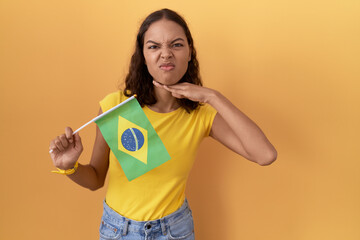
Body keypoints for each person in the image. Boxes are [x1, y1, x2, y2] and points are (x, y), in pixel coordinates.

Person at [49, 8, 277, 240]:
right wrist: (70, 166)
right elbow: (96, 179)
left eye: (176, 45)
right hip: (118, 231)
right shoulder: (116, 107)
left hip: (174, 231)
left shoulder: (200, 115)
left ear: (189, 52)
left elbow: (265, 155)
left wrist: (213, 96)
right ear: (143, 56)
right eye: (154, 46)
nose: (165, 54)